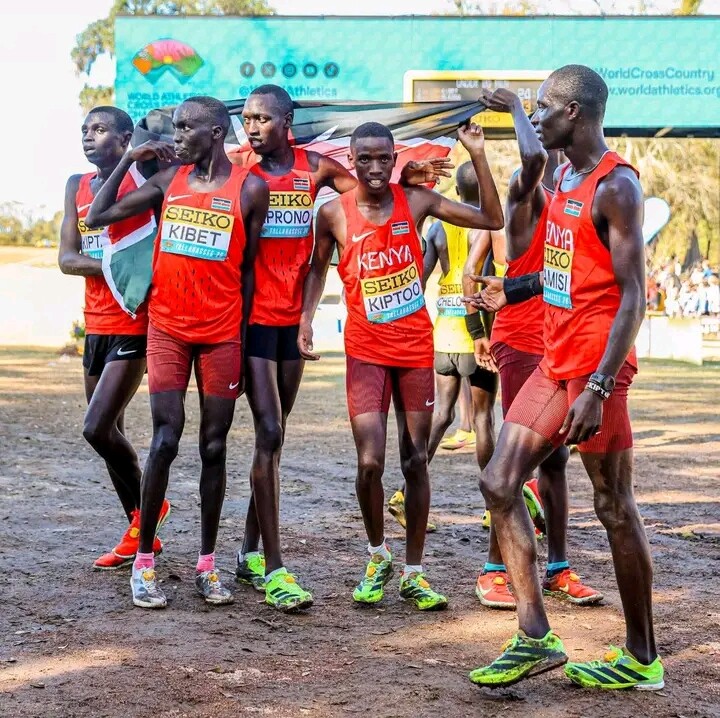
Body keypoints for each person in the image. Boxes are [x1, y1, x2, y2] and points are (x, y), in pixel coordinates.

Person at [464, 66, 662, 691]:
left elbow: (633, 296)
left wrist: (599, 387)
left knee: (613, 506)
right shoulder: (563, 178)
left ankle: (642, 658)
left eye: (544, 106)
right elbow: (569, 270)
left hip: (598, 370)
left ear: (573, 112)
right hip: (554, 359)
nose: (537, 115)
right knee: (499, 480)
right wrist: (516, 287)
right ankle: (534, 637)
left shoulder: (617, 185)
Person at [235, 84, 453, 611]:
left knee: (275, 436)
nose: (253, 126)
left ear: (287, 121)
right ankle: (261, 560)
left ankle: (248, 550)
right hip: (251, 319)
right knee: (266, 434)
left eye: (263, 117)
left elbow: (370, 192)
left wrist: (406, 177)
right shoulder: (239, 172)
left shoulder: (316, 169)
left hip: (291, 321)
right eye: (247, 118)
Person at [298, 121, 503, 610]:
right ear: (351, 160)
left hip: (413, 349)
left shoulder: (417, 202)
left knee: (414, 461)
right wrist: (305, 320)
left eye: (383, 158)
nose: (374, 167)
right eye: (365, 158)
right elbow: (316, 269)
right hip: (365, 351)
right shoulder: (332, 214)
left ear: (394, 160)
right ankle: (377, 555)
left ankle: (414, 571)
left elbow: (492, 216)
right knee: (370, 462)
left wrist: (477, 153)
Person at [86, 96, 269, 609]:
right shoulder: (169, 181)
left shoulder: (249, 189)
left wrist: (243, 338)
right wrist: (130, 158)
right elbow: (98, 214)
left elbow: (248, 270)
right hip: (167, 330)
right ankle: (144, 561)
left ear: (216, 133)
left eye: (187, 128)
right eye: (177, 127)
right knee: (165, 439)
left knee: (214, 447)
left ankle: (207, 564)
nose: (178, 135)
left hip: (222, 335)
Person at [471, 87, 602, 611]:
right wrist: (514, 108)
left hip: (559, 341)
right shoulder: (524, 193)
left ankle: (558, 566)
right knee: (515, 464)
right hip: (522, 340)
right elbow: (532, 158)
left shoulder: (577, 193)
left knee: (557, 461)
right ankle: (494, 569)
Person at [59, 106, 170, 570]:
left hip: (133, 321)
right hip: (96, 325)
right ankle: (140, 528)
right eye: (85, 129)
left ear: (126, 139)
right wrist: (116, 266)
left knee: (96, 428)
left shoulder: (146, 182)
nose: (89, 136)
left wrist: (128, 272)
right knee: (111, 436)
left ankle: (151, 508)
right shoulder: (76, 185)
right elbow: (67, 258)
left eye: (100, 129)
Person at [386, 163, 503, 532]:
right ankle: (493, 506)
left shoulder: (437, 227)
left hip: (444, 333)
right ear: (482, 193)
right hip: (476, 332)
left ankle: (404, 493)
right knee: (483, 419)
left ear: (456, 192)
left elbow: (419, 280)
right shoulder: (487, 227)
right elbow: (490, 278)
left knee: (442, 415)